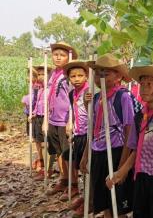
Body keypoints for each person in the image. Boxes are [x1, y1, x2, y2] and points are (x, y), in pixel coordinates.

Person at [107, 63, 153, 218]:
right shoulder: (140, 117)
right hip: (142, 178)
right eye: (142, 84)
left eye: (149, 84)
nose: (144, 88)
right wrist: (122, 172)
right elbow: (136, 150)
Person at [80, 54, 134, 218]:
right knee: (103, 202)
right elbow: (93, 130)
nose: (100, 77)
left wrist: (122, 165)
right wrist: (85, 155)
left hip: (117, 152)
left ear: (118, 76)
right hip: (98, 153)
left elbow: (129, 131)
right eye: (97, 73)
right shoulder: (96, 98)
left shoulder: (123, 97)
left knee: (117, 202)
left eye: (106, 73)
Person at [46, 42, 78, 196]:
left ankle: (74, 184)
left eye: (62, 55)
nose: (58, 57)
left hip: (65, 120)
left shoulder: (68, 76)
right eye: (55, 54)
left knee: (68, 153)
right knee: (58, 151)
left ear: (68, 58)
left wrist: (71, 121)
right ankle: (63, 179)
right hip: (53, 118)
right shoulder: (53, 73)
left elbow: (73, 99)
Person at [63, 60, 89, 215]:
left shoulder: (89, 91)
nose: (77, 78)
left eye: (80, 75)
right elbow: (73, 111)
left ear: (86, 76)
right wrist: (69, 123)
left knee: (87, 169)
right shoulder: (73, 93)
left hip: (88, 134)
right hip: (78, 133)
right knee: (80, 166)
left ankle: (88, 200)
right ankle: (84, 195)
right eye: (73, 76)